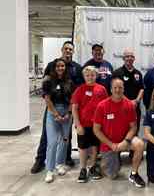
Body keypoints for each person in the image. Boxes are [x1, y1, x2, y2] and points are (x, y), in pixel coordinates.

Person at [31, 41, 83, 174]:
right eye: (66, 49)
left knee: (66, 136)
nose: (68, 51)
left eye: (70, 49)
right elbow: (46, 86)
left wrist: (71, 109)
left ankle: (64, 159)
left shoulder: (77, 68)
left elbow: (78, 88)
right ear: (62, 49)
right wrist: (52, 110)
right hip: (53, 107)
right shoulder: (51, 65)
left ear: (73, 51)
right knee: (47, 136)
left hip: (68, 108)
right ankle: (40, 160)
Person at [93, 78, 146, 188]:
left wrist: (126, 141)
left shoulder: (129, 105)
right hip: (109, 144)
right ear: (111, 89)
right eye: (115, 88)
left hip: (125, 140)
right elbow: (96, 130)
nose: (118, 90)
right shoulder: (102, 106)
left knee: (140, 144)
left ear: (123, 89)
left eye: (120, 88)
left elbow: (133, 127)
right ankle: (99, 164)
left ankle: (134, 174)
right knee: (112, 175)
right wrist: (111, 144)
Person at [71, 66, 108, 183]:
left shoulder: (101, 89)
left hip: (97, 125)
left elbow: (105, 106)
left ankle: (92, 167)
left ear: (96, 76)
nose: (90, 77)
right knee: (82, 147)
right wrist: (78, 125)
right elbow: (74, 108)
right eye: (87, 75)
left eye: (92, 75)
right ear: (84, 77)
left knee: (94, 146)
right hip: (83, 124)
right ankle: (82, 169)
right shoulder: (80, 89)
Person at [42, 58, 74, 183]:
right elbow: (47, 100)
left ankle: (60, 163)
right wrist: (56, 115)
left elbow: (72, 100)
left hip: (66, 113)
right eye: (58, 66)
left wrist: (68, 113)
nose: (60, 68)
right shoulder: (48, 81)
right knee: (53, 142)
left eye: (63, 66)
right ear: (54, 68)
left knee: (64, 140)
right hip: (52, 113)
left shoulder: (69, 82)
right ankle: (49, 170)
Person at [112, 48, 144, 133]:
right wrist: (128, 102)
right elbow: (115, 91)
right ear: (123, 58)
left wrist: (136, 101)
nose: (129, 58)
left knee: (134, 131)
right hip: (120, 107)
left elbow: (141, 89)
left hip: (135, 107)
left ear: (134, 59)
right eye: (127, 56)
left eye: (131, 56)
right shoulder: (117, 73)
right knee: (121, 131)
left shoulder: (138, 73)